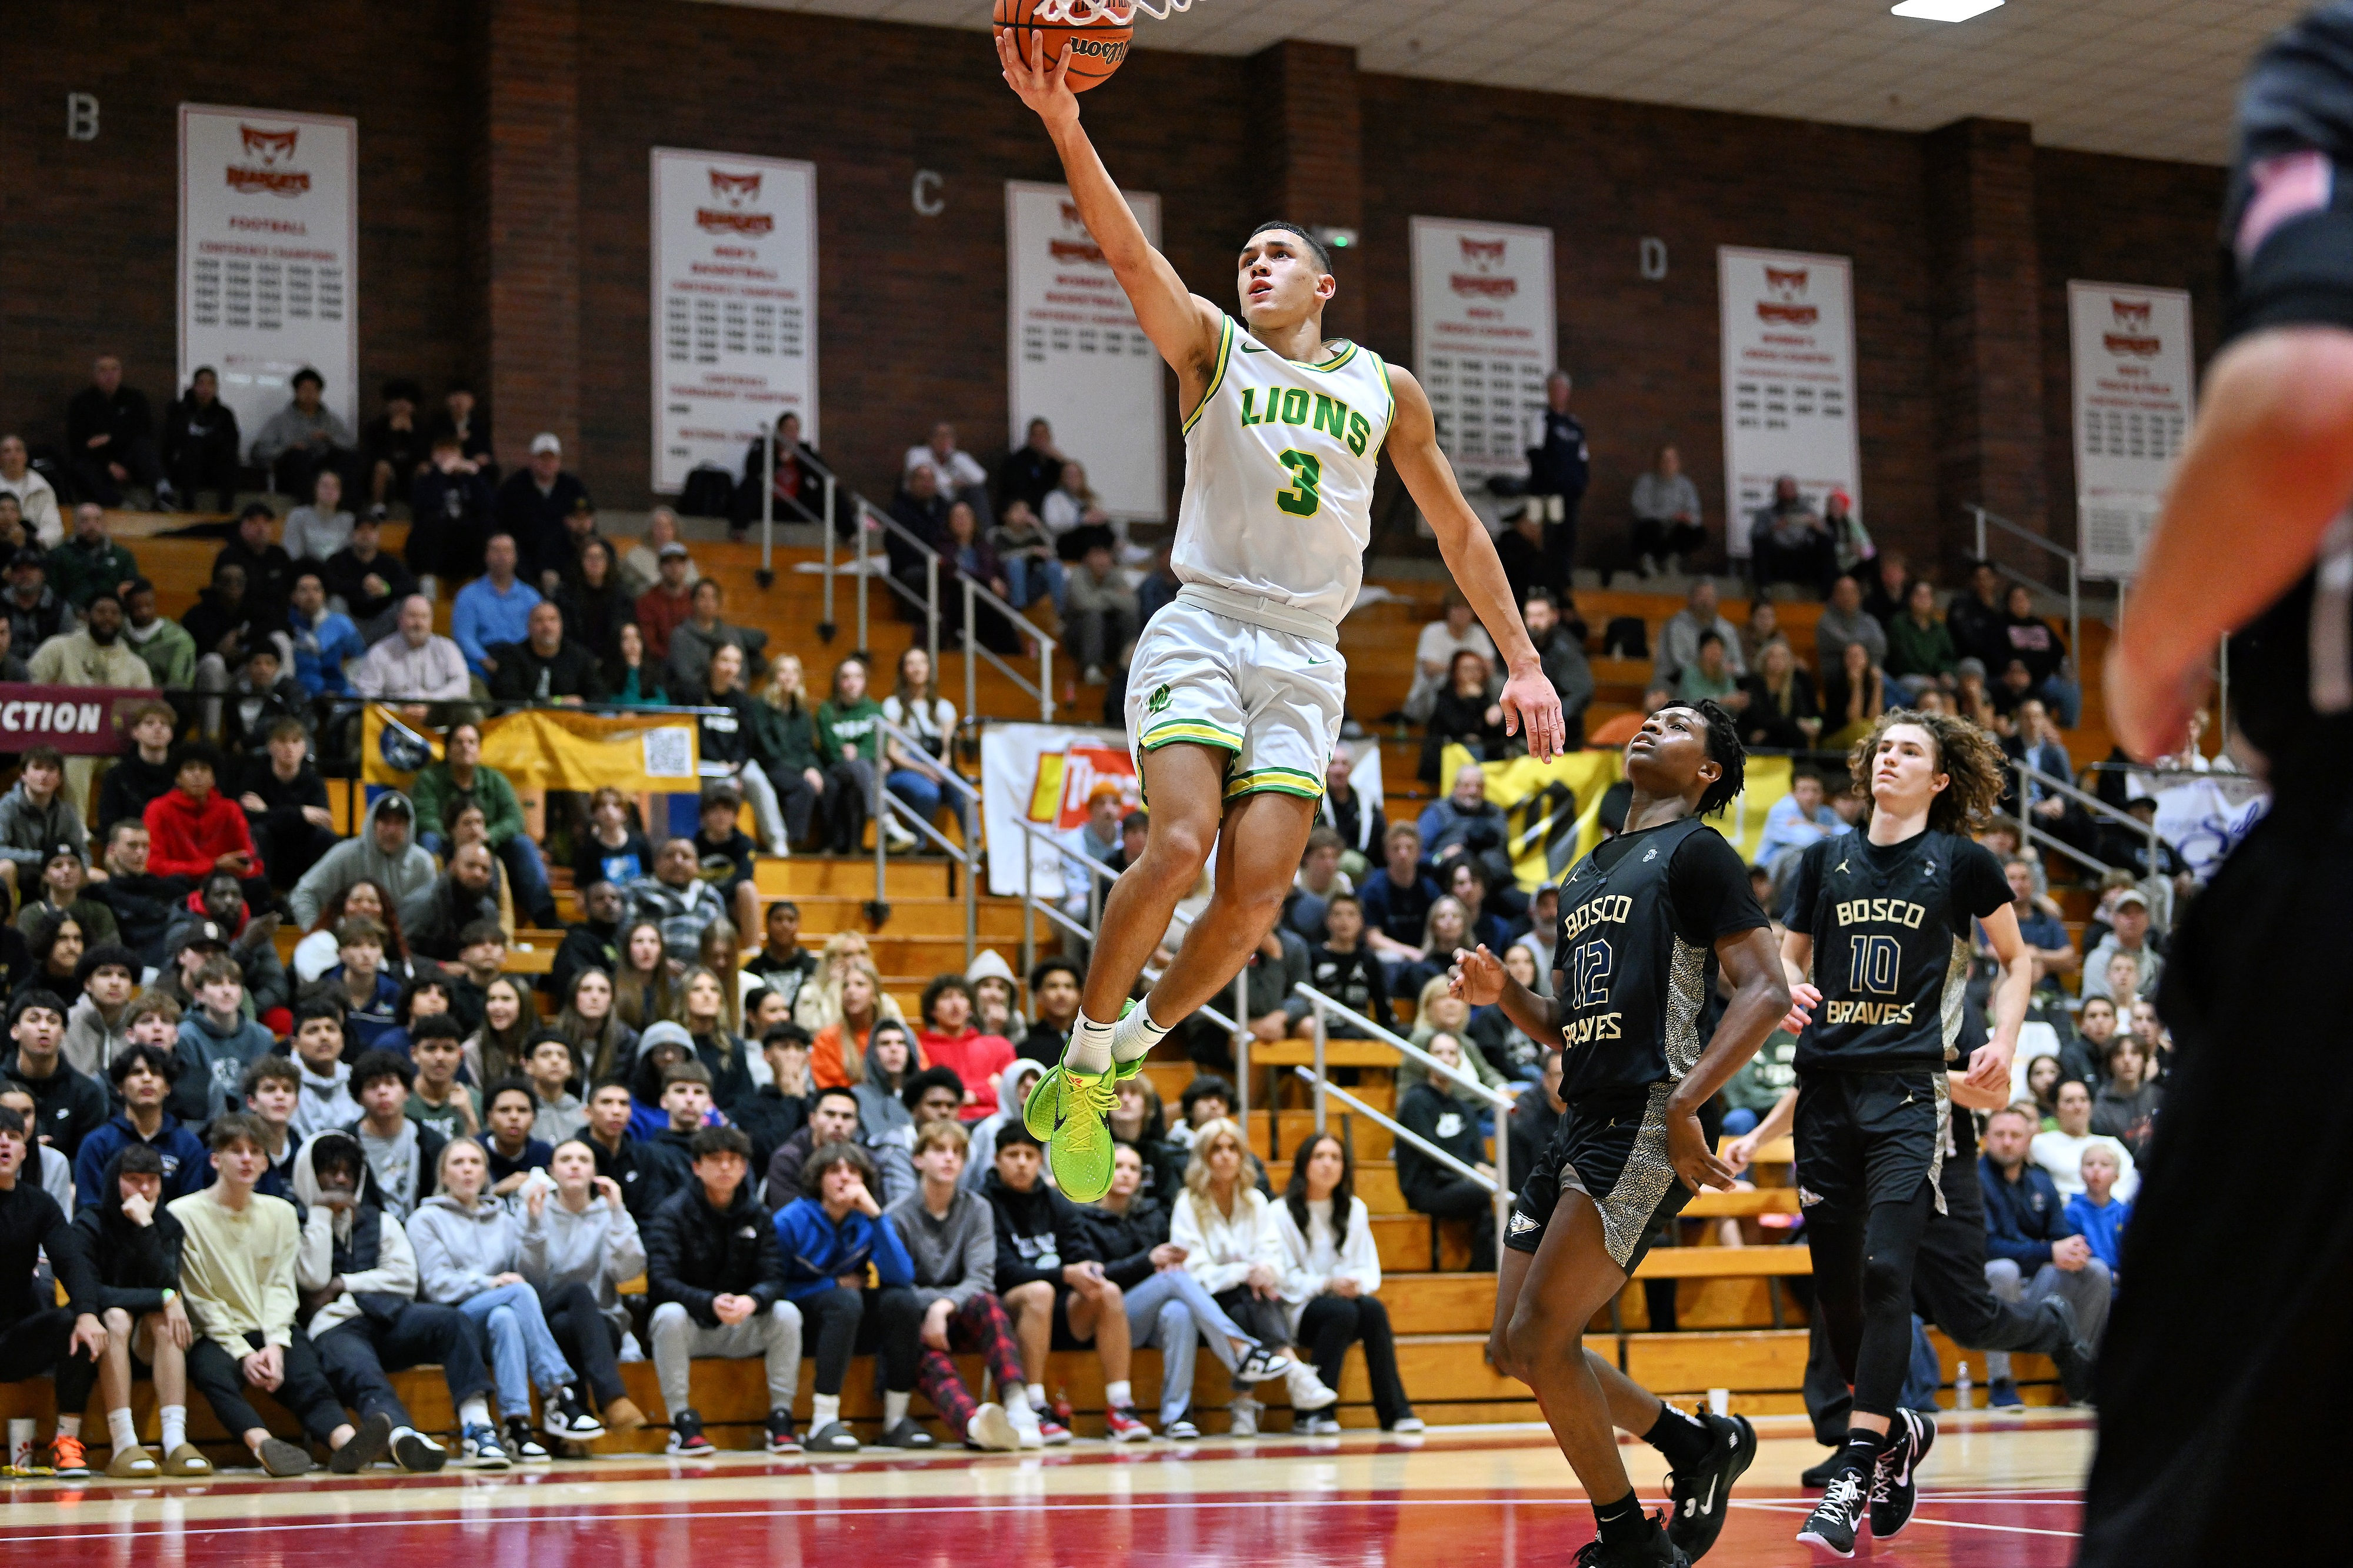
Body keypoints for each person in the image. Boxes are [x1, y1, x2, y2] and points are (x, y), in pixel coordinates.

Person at [1001, 32, 1567, 1199]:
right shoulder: (1207, 347)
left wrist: (1523, 660)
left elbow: (1459, 530)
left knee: (1258, 893)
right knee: (1176, 844)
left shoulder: (1381, 387)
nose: (1254, 264)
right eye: (1245, 253)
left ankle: (1114, 1059)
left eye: (1278, 256)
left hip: (1308, 652)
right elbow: (1123, 251)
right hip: (1203, 623)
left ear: (1323, 286)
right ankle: (1084, 1054)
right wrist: (1063, 122)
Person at [1460, 700, 1786, 1565]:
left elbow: (1766, 990)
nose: (1652, 723)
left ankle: (1630, 1541)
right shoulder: (1588, 870)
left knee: (1539, 1338)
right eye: (1652, 715)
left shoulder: (1699, 852)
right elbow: (1570, 1021)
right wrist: (1504, 996)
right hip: (1580, 1117)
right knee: (1512, 1347)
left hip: (1647, 1117)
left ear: (1708, 771)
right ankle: (1691, 1443)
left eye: (1678, 724)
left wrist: (1686, 1104)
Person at [1771, 709, 2029, 1554]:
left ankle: (1851, 1470)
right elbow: (1783, 955)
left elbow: (2016, 958)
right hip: (1825, 1095)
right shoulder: (1821, 860)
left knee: (1888, 1273)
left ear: (1941, 776)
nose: (1890, 758)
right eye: (1883, 747)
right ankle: (1899, 1431)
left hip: (1910, 1095)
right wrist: (1783, 987)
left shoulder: (1961, 863)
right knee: (1841, 1291)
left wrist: (2006, 1036)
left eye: (1909, 750)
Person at [171, 1113, 389, 1477]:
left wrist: (274, 1342)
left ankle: (346, 1442)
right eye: (236, 1151)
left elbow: (281, 1285)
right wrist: (243, 1354)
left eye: (255, 1152)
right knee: (213, 1374)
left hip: (270, 1325)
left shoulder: (282, 1212)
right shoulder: (183, 1215)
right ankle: (264, 1446)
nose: (246, 1159)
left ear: (264, 1161)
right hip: (217, 1333)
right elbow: (200, 1297)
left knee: (306, 1373)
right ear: (215, 1160)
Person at [406, 1137, 604, 1461]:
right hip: (453, 1326)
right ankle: (559, 1395)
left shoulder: (504, 1220)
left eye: (475, 1163)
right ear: (443, 1175)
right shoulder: (425, 1219)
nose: (467, 1170)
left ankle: (516, 1426)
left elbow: (536, 1280)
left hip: (498, 1321)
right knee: (516, 1294)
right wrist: (490, 1283)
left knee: (507, 1317)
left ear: (486, 1173)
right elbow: (437, 1285)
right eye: (458, 1163)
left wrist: (535, 1224)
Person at [288, 1132, 475, 1472]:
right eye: (331, 1171)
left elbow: (404, 1278)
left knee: (452, 1320)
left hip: (388, 1319)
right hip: (334, 1328)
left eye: (349, 1172)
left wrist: (342, 1284)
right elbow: (312, 1279)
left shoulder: (382, 1220)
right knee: (363, 1372)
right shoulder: (294, 1222)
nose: (341, 1179)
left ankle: (479, 1426)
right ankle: (403, 1436)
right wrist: (319, 1214)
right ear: (310, 1175)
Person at [1166, 1117, 1339, 1435]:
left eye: (1233, 1148)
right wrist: (1246, 1271)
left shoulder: (1256, 1200)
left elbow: (1273, 1254)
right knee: (1248, 1297)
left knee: (1252, 1299)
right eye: (1216, 1149)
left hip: (1250, 1298)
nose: (1225, 1155)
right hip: (1206, 1301)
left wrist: (1264, 1271)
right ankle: (1295, 1375)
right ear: (1203, 1157)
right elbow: (1195, 1270)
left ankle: (1245, 1405)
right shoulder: (1188, 1204)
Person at [981, 1122, 1149, 1441]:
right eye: (1012, 1155)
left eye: (1029, 1155)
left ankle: (1120, 1407)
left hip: (1058, 1308)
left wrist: (1087, 1271)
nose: (1021, 1163)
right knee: (1039, 1292)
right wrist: (1064, 1275)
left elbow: (1080, 1251)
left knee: (1108, 1291)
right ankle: (1033, 1406)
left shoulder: (1055, 1201)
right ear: (996, 1159)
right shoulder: (984, 1203)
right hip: (1009, 1309)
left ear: (1040, 1161)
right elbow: (1003, 1272)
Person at [645, 1124, 803, 1454]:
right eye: (716, 1160)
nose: (726, 1167)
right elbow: (660, 1282)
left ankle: (781, 1418)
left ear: (745, 1168)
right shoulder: (671, 1214)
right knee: (668, 1315)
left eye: (734, 1160)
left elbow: (775, 1277)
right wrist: (708, 1302)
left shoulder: (759, 1216)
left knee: (787, 1313)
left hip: (742, 1325)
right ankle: (681, 1423)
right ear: (697, 1167)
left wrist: (752, 1300)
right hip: (694, 1329)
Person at [60, 1143, 213, 1477]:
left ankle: (175, 1442)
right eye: (133, 1179)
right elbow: (91, 1292)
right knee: (117, 1316)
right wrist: (163, 1298)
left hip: (148, 1344)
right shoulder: (90, 1222)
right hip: (105, 1338)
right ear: (115, 1181)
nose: (144, 1189)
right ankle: (124, 1444)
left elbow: (167, 1281)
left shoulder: (167, 1224)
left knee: (164, 1319)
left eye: (152, 1180)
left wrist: (146, 1229)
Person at [886, 1119, 1037, 1449]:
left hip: (961, 1311)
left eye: (957, 1152)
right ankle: (975, 1426)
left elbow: (981, 1277)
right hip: (918, 1320)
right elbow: (896, 1288)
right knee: (927, 1354)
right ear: (918, 1160)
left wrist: (944, 1305)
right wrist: (933, 1309)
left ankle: (1019, 1407)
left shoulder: (978, 1208)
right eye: (939, 1150)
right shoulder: (896, 1216)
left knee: (990, 1304)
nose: (949, 1158)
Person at [1275, 1132, 1420, 1432]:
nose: (1328, 1164)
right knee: (1342, 1311)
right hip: (1296, 1311)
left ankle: (1395, 1412)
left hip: (1343, 1306)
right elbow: (1284, 1281)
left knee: (1372, 1309)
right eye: (1319, 1157)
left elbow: (1369, 1270)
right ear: (1304, 1165)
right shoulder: (1279, 1212)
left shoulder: (1355, 1209)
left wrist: (1354, 1285)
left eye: (1336, 1158)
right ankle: (1314, 1413)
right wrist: (1327, 1284)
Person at [1977, 1103, 2112, 1409]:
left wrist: (2073, 1250)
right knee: (2003, 1270)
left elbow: (2059, 1235)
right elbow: (1987, 1247)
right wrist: (2049, 1251)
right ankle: (2000, 1383)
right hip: (1989, 1289)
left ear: (2029, 1141)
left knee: (2097, 1272)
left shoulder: (2041, 1180)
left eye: (2015, 1135)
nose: (2008, 1142)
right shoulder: (1972, 1180)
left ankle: (2080, 1379)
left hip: (2037, 1283)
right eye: (2000, 1135)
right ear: (1987, 1138)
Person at [518, 1137, 649, 1435]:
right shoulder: (534, 1211)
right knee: (577, 1293)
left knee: (571, 1325)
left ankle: (577, 1417)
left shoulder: (609, 1213)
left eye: (583, 1160)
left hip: (602, 1326)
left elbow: (627, 1272)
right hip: (544, 1320)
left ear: (595, 1172)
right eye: (566, 1160)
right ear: (552, 1171)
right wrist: (535, 1225)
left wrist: (618, 1213)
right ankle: (612, 1398)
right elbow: (531, 1278)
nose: (575, 1165)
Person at [412, 718, 557, 930]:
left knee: (522, 844)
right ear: (448, 750)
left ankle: (546, 917)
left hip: (489, 845)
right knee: (428, 840)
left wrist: (489, 835)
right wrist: (459, 836)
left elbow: (515, 819)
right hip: (447, 843)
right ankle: (427, 908)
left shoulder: (495, 779)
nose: (466, 748)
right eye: (459, 743)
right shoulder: (429, 779)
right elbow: (425, 817)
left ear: (479, 750)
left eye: (471, 742)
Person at [71, 1043, 207, 1207]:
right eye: (137, 1072)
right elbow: (89, 1209)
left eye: (155, 1073)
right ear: (120, 1087)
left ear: (168, 1088)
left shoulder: (188, 1145)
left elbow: (191, 1209)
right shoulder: (97, 1144)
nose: (147, 1079)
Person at [817, 656, 904, 854]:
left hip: (862, 770)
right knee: (864, 767)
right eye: (846, 677)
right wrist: (864, 753)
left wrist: (860, 752)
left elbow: (878, 744)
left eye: (857, 676)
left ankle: (861, 840)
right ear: (838, 682)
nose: (852, 682)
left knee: (862, 768)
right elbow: (831, 749)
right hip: (836, 767)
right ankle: (886, 821)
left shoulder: (875, 709)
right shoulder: (827, 710)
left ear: (864, 681)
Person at [493, 436, 591, 583]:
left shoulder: (573, 487)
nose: (548, 463)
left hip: (563, 561)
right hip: (524, 561)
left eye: (552, 459)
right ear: (532, 459)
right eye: (542, 458)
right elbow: (500, 525)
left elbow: (587, 521)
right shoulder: (514, 487)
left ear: (559, 461)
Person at [451, 533, 542, 682]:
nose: (502, 557)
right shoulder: (468, 595)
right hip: (481, 665)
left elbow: (539, 634)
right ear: (486, 556)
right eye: (496, 551)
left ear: (516, 557)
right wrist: (487, 662)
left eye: (507, 551)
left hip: (523, 665)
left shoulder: (531, 597)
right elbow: (464, 636)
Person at [347, 594, 471, 703]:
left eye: (424, 617)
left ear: (432, 621)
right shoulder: (380, 652)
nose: (418, 623)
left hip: (437, 712)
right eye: (412, 616)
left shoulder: (448, 649)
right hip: (392, 717)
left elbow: (461, 685)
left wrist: (432, 699)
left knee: (468, 712)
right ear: (400, 619)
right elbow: (367, 692)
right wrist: (400, 707)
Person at [321, 511, 419, 645]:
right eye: (361, 530)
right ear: (353, 534)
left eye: (371, 530)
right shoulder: (338, 561)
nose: (366, 535)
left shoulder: (389, 562)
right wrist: (362, 585)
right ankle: (337, 651)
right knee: (336, 602)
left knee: (406, 603)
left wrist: (386, 589)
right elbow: (328, 583)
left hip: (382, 626)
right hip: (350, 624)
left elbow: (412, 586)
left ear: (378, 535)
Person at [1404, 593, 1497, 723]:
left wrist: (1468, 676)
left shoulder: (1478, 632)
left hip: (1470, 692)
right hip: (1433, 694)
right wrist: (1462, 671)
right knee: (1444, 687)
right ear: (1447, 611)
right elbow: (1429, 668)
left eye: (1467, 608)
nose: (1462, 613)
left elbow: (1490, 666)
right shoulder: (1432, 631)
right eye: (1457, 608)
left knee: (1497, 684)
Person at [1653, 579, 1745, 690]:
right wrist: (1711, 669)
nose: (1706, 601)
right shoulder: (1675, 626)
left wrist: (1730, 669)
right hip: (1678, 685)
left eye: (1710, 596)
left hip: (1721, 685)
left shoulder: (1727, 629)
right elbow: (1679, 664)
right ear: (1691, 599)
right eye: (1701, 595)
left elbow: (1740, 667)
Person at [1629, 444, 1705, 577]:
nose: (1668, 464)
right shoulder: (1646, 482)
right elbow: (1639, 510)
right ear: (1658, 462)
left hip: (1674, 533)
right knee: (1650, 526)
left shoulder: (1686, 485)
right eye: (1665, 460)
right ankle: (1647, 560)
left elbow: (1695, 513)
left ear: (1679, 463)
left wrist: (1688, 519)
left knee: (1698, 532)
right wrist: (1670, 516)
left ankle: (1673, 559)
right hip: (1653, 531)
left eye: (1672, 460)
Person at [2064, 1142, 2131, 1280]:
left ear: (2117, 1176)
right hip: (2088, 1280)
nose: (2096, 1169)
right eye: (2089, 1164)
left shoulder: (2124, 1213)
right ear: (2081, 1173)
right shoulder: (2072, 1212)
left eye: (2105, 1165)